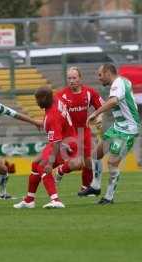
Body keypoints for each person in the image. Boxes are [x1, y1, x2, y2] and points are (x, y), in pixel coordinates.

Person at [13, 86, 83, 209]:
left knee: (43, 166)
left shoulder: (53, 117)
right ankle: (29, 200)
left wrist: (50, 164)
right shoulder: (55, 99)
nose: (36, 102)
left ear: (44, 98)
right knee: (35, 164)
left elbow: (56, 142)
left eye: (38, 99)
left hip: (64, 145)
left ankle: (55, 200)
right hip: (66, 139)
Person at [83, 63, 141, 204]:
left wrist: (96, 113)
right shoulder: (121, 82)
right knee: (96, 154)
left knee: (112, 163)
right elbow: (114, 103)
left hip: (128, 129)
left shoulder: (118, 83)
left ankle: (109, 197)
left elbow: (113, 101)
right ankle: (95, 186)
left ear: (108, 73)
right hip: (118, 126)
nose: (99, 78)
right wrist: (101, 116)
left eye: (100, 75)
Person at [54, 66, 104, 194]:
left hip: (84, 131)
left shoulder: (89, 92)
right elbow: (55, 115)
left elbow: (102, 107)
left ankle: (85, 188)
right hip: (69, 133)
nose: (71, 81)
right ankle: (60, 171)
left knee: (89, 162)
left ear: (80, 78)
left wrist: (99, 117)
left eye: (74, 78)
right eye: (69, 78)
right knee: (77, 164)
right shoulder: (61, 96)